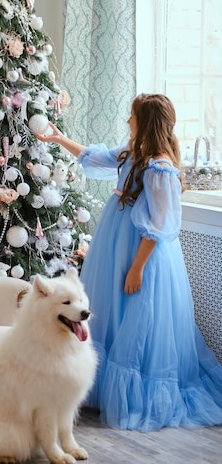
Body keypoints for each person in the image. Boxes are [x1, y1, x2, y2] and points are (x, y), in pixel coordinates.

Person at [36, 93, 222, 431]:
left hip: (141, 254)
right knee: (112, 312)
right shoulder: (133, 154)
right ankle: (100, 388)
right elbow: (95, 158)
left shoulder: (160, 167)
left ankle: (134, 393)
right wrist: (59, 138)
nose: (127, 121)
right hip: (115, 246)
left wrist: (137, 268)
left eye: (132, 116)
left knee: (137, 314)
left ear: (145, 121)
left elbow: (157, 227)